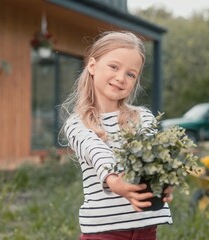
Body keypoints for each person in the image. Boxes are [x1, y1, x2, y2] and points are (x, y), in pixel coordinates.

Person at [61, 31, 173, 240]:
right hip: (103, 232)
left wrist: (165, 182)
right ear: (92, 66)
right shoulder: (78, 123)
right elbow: (96, 151)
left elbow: (155, 157)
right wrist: (114, 181)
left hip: (146, 228)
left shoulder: (143, 118)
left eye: (131, 74)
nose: (121, 78)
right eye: (114, 67)